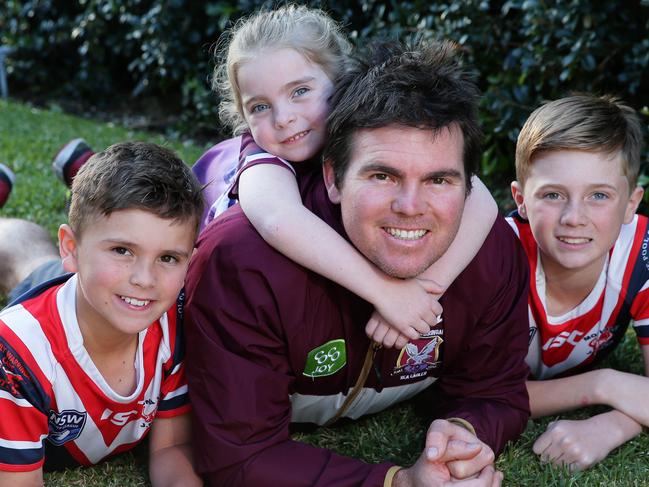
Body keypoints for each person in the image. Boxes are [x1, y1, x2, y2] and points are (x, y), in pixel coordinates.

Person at [184, 39, 531, 486]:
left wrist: (464, 433)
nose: (410, 206)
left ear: (467, 185)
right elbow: (239, 455)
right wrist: (397, 483)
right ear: (332, 176)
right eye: (382, 175)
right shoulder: (243, 263)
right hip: (205, 191)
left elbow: (497, 393)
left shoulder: (489, 249)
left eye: (439, 179)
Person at [192, 4, 498, 349]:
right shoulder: (262, 159)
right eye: (259, 107)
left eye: (300, 92)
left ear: (339, 81)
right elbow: (278, 219)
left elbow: (481, 200)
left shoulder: (363, 131)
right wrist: (385, 292)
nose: (283, 118)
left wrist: (424, 291)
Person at [0, 142, 204, 486]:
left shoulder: (178, 320)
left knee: (38, 264)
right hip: (68, 296)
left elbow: (171, 449)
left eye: (168, 257)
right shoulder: (19, 352)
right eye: (122, 250)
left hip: (94, 290)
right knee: (31, 264)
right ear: (72, 248)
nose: (145, 279)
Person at [507, 94, 648, 471]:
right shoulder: (495, 256)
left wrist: (617, 424)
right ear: (520, 199)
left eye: (598, 195)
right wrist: (604, 385)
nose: (574, 217)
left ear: (631, 204)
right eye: (553, 194)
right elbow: (477, 393)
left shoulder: (643, 255)